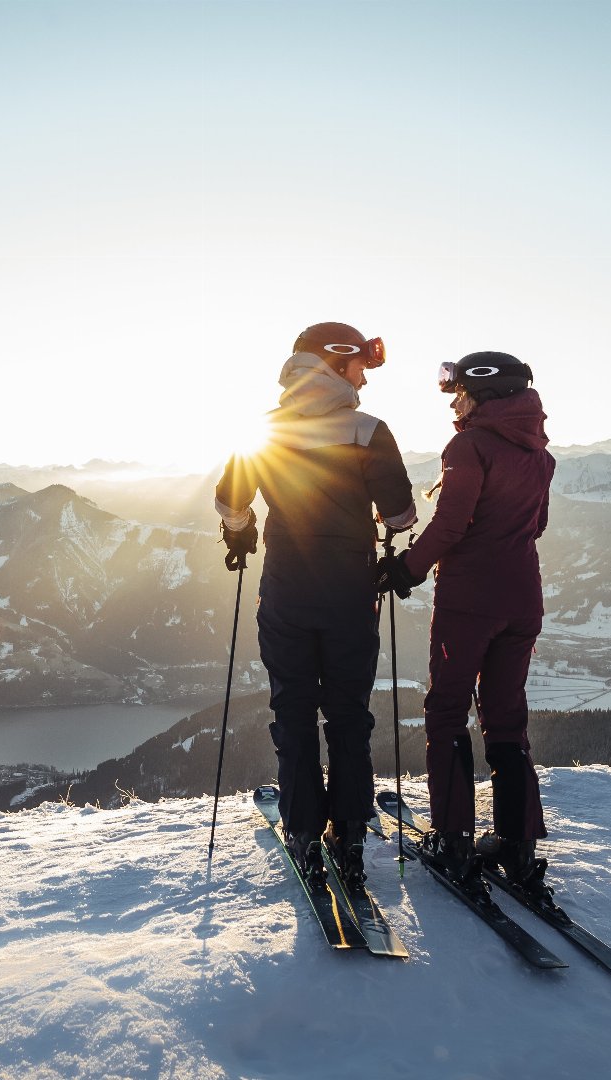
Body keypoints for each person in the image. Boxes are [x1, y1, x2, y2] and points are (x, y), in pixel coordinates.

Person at [216, 322, 416, 889]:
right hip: (351, 594)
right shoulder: (368, 430)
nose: (364, 380)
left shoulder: (264, 430)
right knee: (350, 713)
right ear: (336, 363)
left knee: (294, 711)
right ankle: (350, 830)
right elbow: (401, 516)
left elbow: (230, 502)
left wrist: (241, 530)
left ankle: (304, 829)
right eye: (360, 369)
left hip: (286, 592)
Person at [380, 351, 556, 888]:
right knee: (507, 720)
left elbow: (451, 525)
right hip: (522, 598)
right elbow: (538, 525)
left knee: (448, 711)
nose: (455, 401)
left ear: (484, 391)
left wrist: (405, 569)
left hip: (469, 603)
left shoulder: (469, 445)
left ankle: (453, 838)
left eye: (459, 391)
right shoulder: (540, 454)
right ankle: (519, 845)